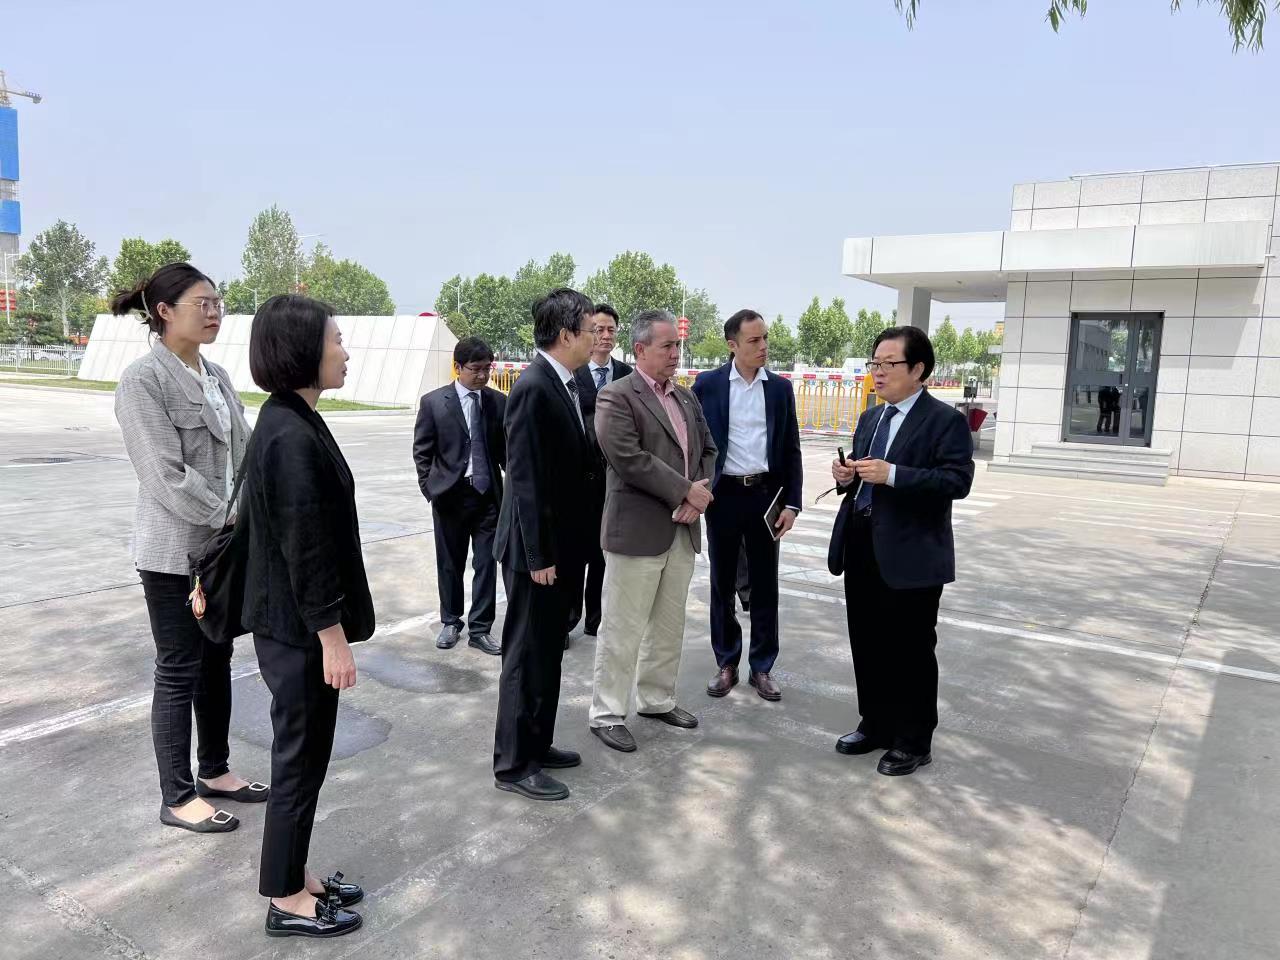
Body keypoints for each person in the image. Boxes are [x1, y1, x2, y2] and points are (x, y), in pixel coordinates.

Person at [112, 262, 265, 836]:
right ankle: (176, 796)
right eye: (202, 303)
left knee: (217, 661)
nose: (214, 312)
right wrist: (229, 518)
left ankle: (215, 770)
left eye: (217, 302)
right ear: (164, 311)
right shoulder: (142, 381)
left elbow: (243, 454)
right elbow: (164, 474)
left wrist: (249, 514)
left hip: (222, 548)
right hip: (175, 552)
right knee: (179, 669)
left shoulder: (217, 376)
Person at [241, 294, 375, 938]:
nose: (345, 352)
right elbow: (306, 547)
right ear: (303, 350)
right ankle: (286, 899)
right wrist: (333, 638)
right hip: (299, 631)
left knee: (306, 757)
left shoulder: (291, 417)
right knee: (298, 759)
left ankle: (293, 874)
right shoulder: (290, 434)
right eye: (335, 340)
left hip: (291, 625)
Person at [827, 325, 973, 777]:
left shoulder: (944, 421)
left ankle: (913, 740)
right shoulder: (871, 418)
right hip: (862, 543)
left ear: (918, 369)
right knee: (867, 641)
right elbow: (862, 474)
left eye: (889, 364)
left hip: (912, 553)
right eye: (874, 363)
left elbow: (957, 481)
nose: (878, 372)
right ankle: (874, 724)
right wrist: (846, 476)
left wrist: (893, 474)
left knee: (910, 648)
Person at [589, 310, 717, 752]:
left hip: (683, 529)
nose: (676, 354)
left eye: (677, 346)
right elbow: (629, 459)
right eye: (667, 346)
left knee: (668, 624)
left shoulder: (686, 397)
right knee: (622, 628)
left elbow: (708, 449)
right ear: (640, 349)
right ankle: (607, 713)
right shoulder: (616, 396)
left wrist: (698, 494)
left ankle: (657, 699)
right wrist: (684, 492)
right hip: (638, 531)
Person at [492, 287, 599, 801]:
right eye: (590, 329)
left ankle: (538, 743)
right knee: (525, 656)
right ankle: (514, 764)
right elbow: (526, 478)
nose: (597, 338)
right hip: (537, 554)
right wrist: (538, 555)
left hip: (562, 546)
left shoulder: (568, 383)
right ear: (565, 334)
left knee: (549, 653)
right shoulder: (534, 387)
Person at [692, 310, 803, 702]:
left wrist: (792, 503)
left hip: (765, 497)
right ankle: (726, 662)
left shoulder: (780, 389)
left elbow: (791, 448)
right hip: (723, 496)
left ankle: (762, 667)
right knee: (721, 583)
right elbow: (694, 443)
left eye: (765, 338)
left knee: (765, 584)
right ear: (732, 345)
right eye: (754, 340)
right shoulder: (708, 385)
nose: (763, 346)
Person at [413, 336, 506, 655]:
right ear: (457, 367)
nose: (482, 375)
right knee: (450, 563)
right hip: (450, 496)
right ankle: (451, 621)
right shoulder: (434, 402)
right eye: (475, 369)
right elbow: (422, 451)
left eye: (487, 368)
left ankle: (480, 628)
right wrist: (431, 489)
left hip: (487, 496)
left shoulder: (497, 402)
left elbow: (505, 451)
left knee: (486, 563)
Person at [568, 304, 634, 643]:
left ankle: (597, 619)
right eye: (598, 329)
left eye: (611, 330)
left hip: (615, 480)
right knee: (574, 554)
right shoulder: (572, 373)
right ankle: (567, 620)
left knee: (603, 554)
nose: (605, 336)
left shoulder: (627, 375)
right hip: (579, 482)